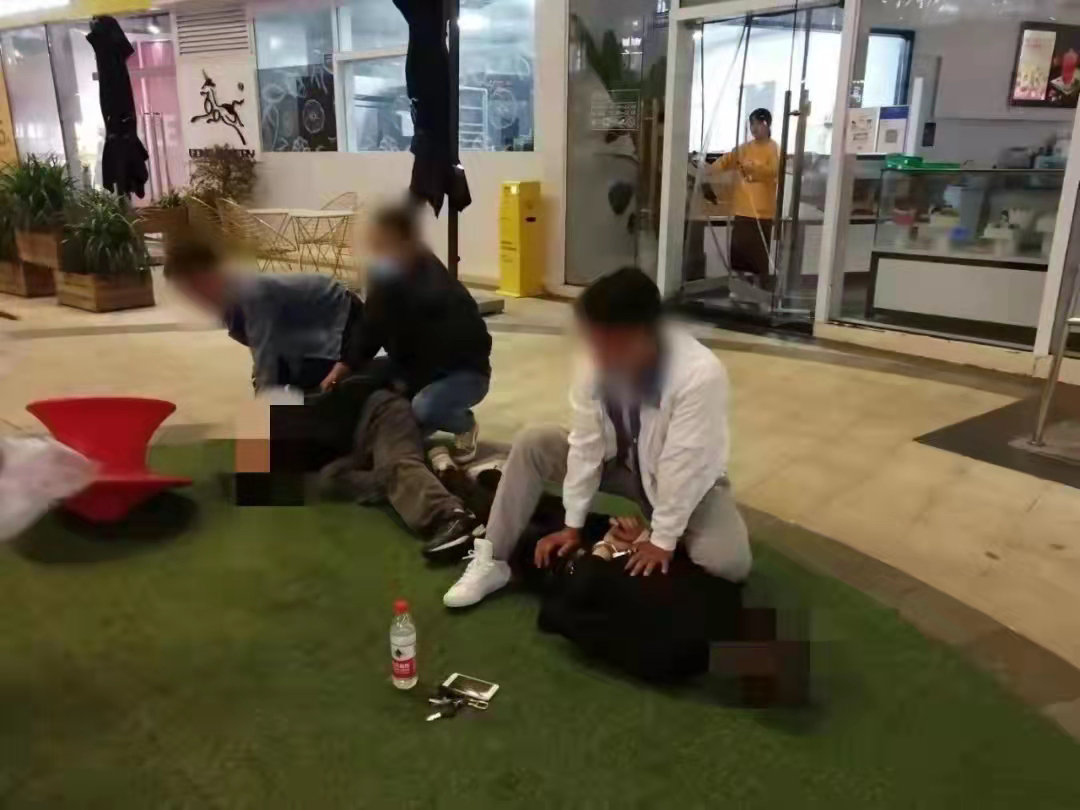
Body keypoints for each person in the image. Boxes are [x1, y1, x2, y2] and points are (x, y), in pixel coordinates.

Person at [441, 267, 752, 608]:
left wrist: (662, 539)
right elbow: (586, 445)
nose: (597, 355)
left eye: (609, 343)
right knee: (535, 442)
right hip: (620, 465)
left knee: (729, 564)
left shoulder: (699, 374)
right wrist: (572, 526)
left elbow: (685, 466)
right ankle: (493, 559)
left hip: (685, 481)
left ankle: (635, 533)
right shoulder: (598, 358)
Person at [321, 204, 492, 463]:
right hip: (421, 368)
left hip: (464, 373)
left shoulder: (431, 283)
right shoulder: (387, 275)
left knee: (424, 408)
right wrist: (344, 365)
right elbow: (371, 326)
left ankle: (464, 425)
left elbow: (461, 343)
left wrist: (407, 385)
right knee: (367, 378)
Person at [164, 238, 364, 393]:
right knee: (282, 387)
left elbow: (266, 355)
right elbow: (261, 346)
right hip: (309, 324)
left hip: (341, 313)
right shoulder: (230, 302)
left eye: (194, 287)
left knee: (312, 390)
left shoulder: (250, 294)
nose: (194, 298)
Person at [714, 108, 779, 281]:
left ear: (767, 124)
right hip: (742, 211)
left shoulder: (773, 148)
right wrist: (706, 170)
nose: (754, 128)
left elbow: (773, 171)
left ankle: (758, 289)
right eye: (752, 124)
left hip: (762, 213)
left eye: (757, 123)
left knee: (758, 260)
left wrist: (753, 168)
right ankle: (739, 288)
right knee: (739, 257)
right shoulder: (744, 149)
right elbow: (725, 161)